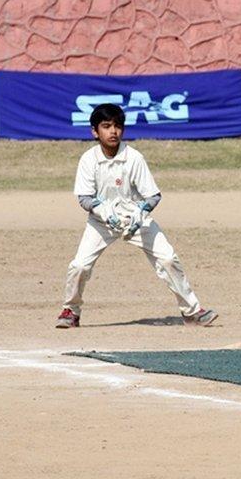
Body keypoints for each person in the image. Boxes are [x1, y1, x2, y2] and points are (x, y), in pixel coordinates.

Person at [55, 103, 217, 329]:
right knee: (80, 266)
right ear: (94, 131)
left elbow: (152, 195)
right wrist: (103, 212)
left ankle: (192, 312)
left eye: (118, 126)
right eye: (106, 126)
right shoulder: (88, 160)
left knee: (168, 258)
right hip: (101, 222)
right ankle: (71, 311)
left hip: (135, 219)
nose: (113, 132)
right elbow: (84, 198)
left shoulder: (134, 157)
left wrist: (140, 213)